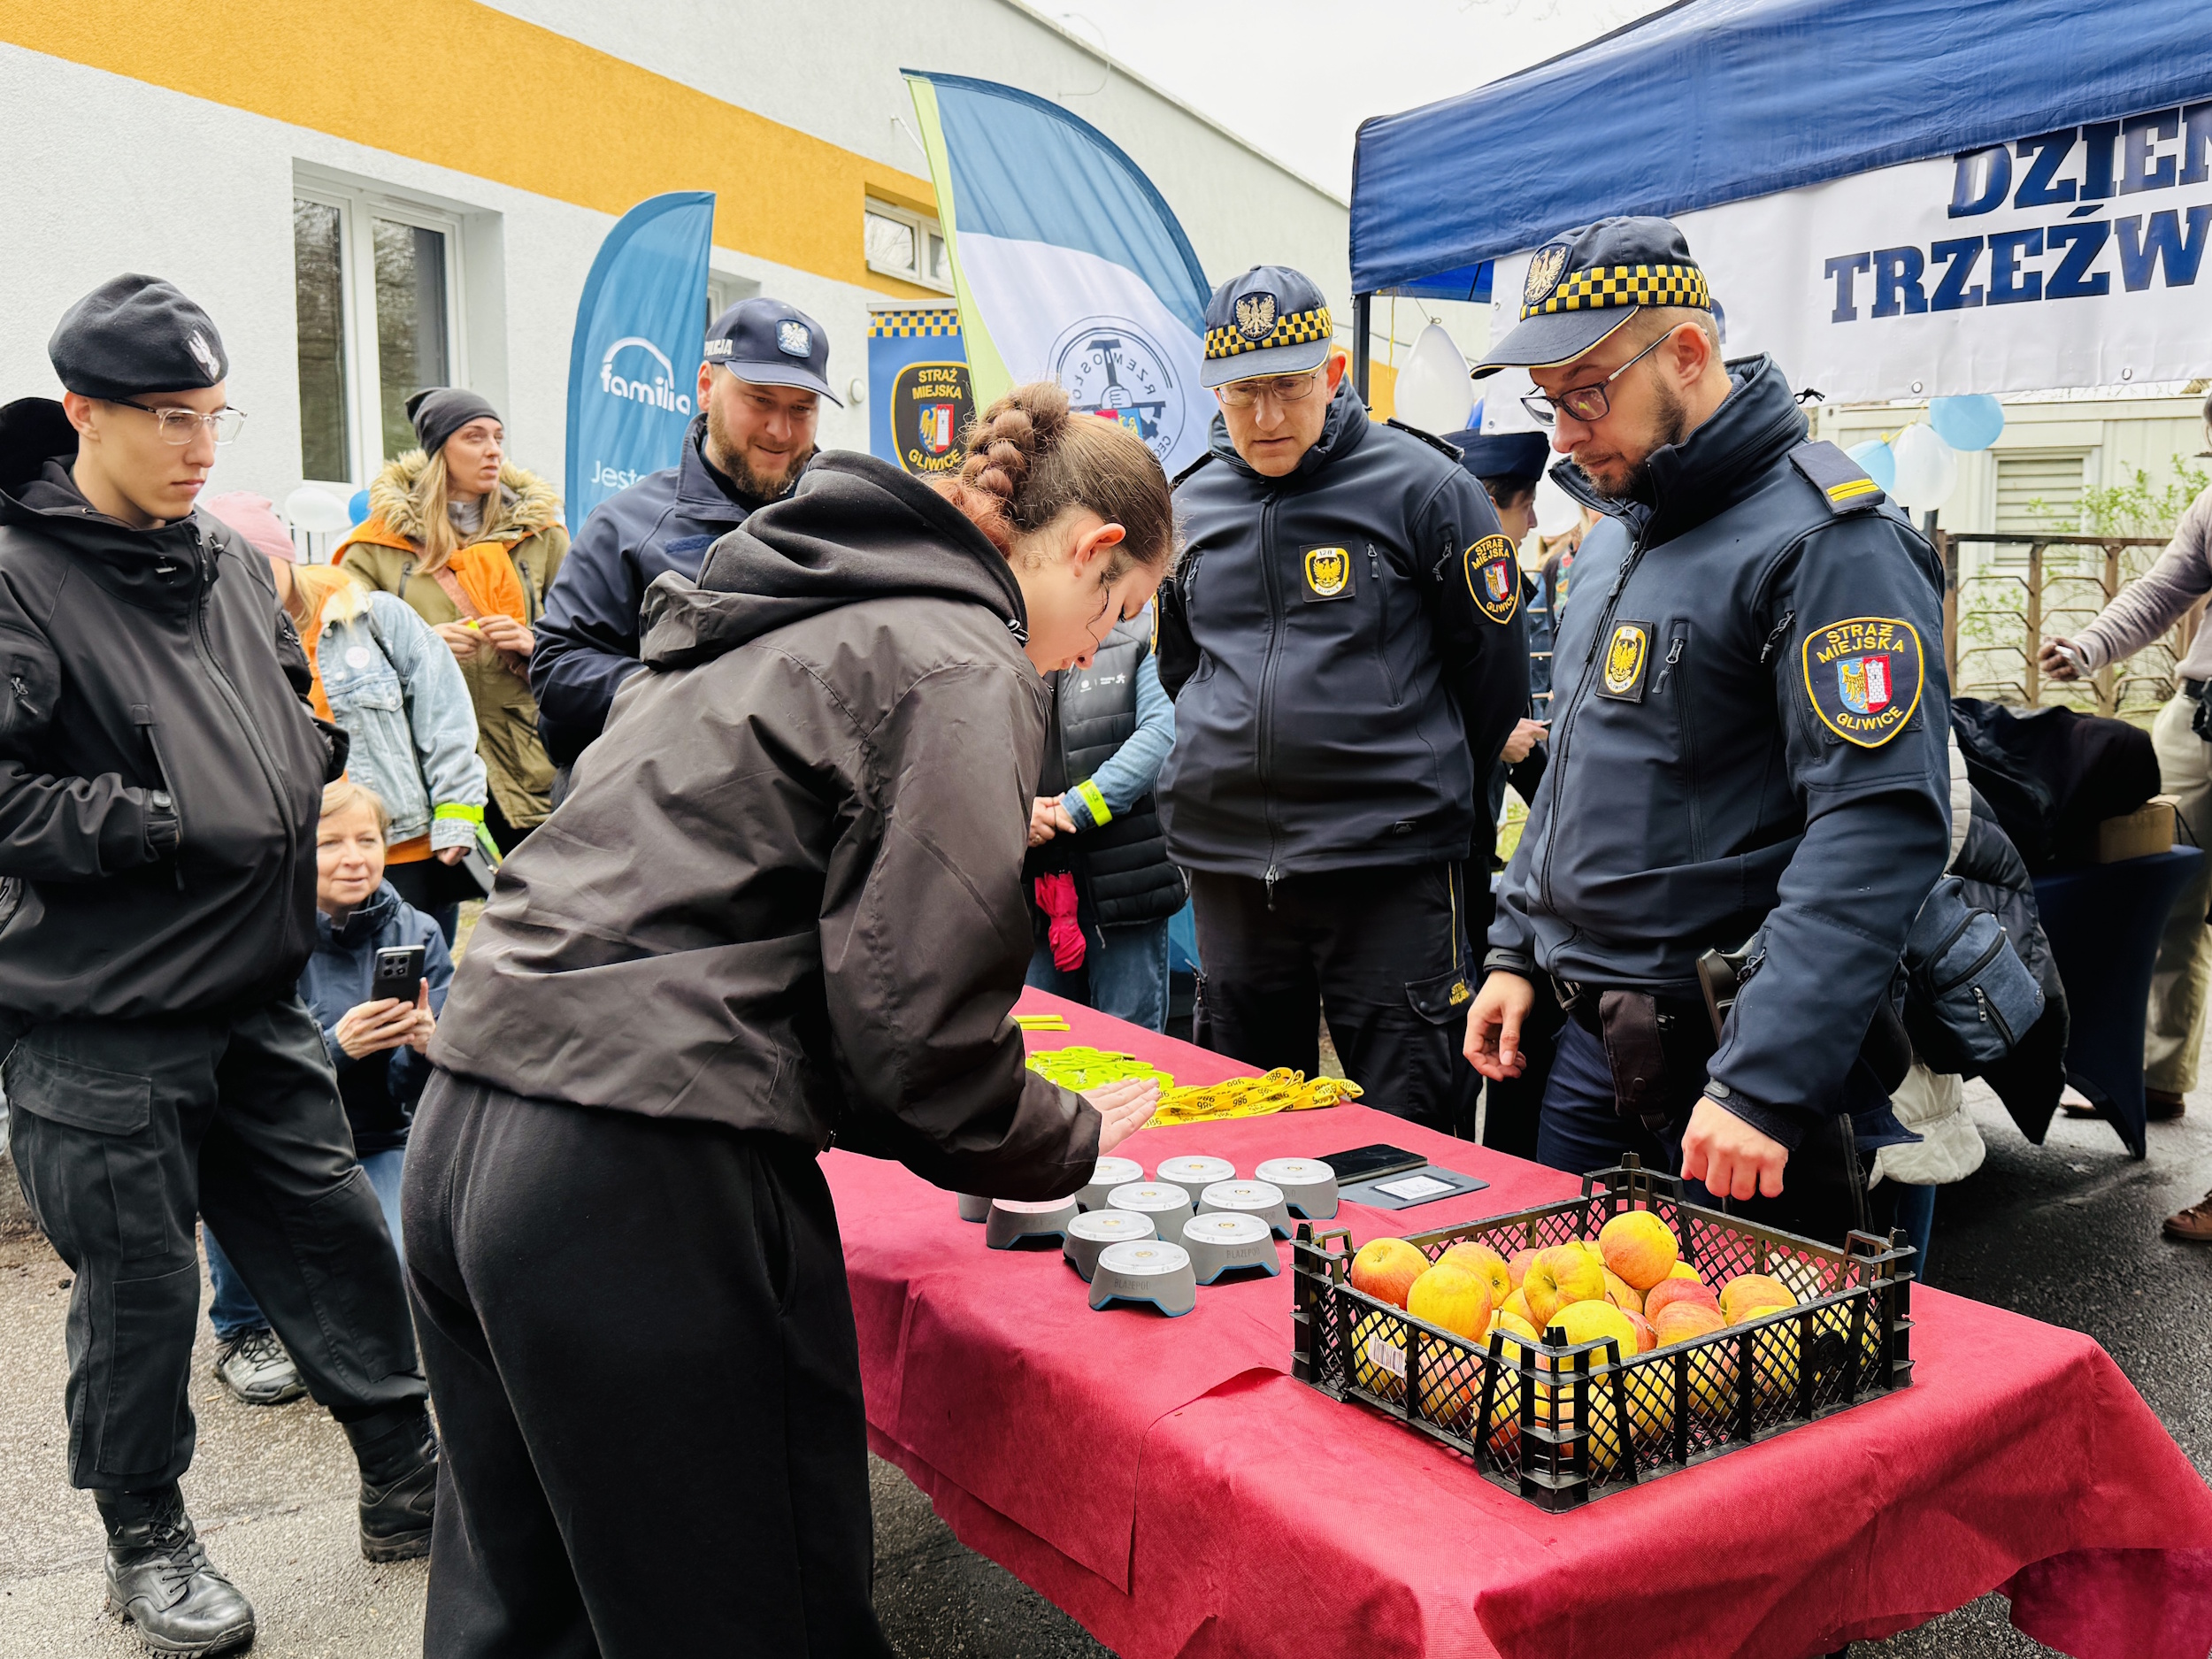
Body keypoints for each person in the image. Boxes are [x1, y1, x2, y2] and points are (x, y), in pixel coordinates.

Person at [403, 383, 1169, 1655]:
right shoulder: (957, 652)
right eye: (1118, 612)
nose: (1094, 652)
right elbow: (916, 1031)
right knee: (757, 1616)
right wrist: (1062, 1139)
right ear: (1090, 546)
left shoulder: (789, 608)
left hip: (474, 1115)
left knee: (531, 1612)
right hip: (637, 1166)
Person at [0, 276, 436, 1655]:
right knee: (141, 1286)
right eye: (167, 418)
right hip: (101, 1013)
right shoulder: (19, 575)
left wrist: (306, 767)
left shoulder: (228, 564)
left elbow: (282, 723)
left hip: (251, 987)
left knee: (332, 1231)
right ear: (83, 413)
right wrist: (169, 819)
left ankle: (408, 1472)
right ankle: (144, 1534)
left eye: (213, 414)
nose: (200, 446)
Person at [1462, 218, 1951, 1247]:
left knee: (1758, 1385)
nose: (1563, 435)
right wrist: (1515, 946)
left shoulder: (1829, 542)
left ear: (1686, 353)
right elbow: (1576, 773)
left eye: (1587, 393)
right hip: (1587, 1038)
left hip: (1735, 1059)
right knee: (1572, 1353)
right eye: (1549, 402)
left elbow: (1876, 827)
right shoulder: (1611, 543)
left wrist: (1763, 1080)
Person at [1156, 265, 1528, 1136]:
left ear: (1331, 374)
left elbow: (1492, 678)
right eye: (1243, 396)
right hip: (1232, 872)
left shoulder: (1428, 490)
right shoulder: (1187, 504)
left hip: (1385, 870)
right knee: (1240, 1131)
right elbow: (1183, 669)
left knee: (1408, 1131)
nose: (1266, 419)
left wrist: (1405, 783)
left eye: (1287, 389)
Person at [202, 780, 453, 1404]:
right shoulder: (261, 935)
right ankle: (242, 1330)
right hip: (272, 1142)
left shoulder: (418, 930)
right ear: (294, 851)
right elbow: (239, 1075)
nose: (353, 857)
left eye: (367, 839)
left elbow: (438, 1093)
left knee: (397, 1279)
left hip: (376, 1138)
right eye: (331, 842)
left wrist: (431, 1046)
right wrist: (335, 1046)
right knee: (230, 1171)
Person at [533, 298, 833, 785]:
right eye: (759, 400)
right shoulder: (625, 525)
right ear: (705, 387)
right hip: (651, 835)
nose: (781, 431)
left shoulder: (841, 526)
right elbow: (558, 675)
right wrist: (707, 700)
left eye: (802, 408)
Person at [2042, 388, 2212, 1241]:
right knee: (2169, 898)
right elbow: (2160, 591)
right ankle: (2155, 1073)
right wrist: (2089, 644)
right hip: (2198, 717)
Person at [210, 493, 488, 942]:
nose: (246, 582)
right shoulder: (224, 646)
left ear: (287, 558)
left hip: (404, 851)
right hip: (302, 864)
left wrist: (457, 810)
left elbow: (446, 714)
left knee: (416, 991)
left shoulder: (375, 617)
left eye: (258, 563)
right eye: (226, 572)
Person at [338, 389, 566, 850]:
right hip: (420, 761)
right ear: (439, 450)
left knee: (539, 909)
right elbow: (343, 653)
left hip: (524, 756)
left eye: (498, 437)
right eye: (474, 436)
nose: (493, 450)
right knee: (428, 916)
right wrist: (420, 647)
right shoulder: (374, 547)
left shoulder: (542, 535)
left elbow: (585, 634)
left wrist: (531, 641)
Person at [1024, 598, 1184, 1029]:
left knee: (1130, 1044)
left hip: (1126, 880)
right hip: (1033, 886)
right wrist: (1018, 814)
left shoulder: (1143, 627)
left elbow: (1160, 733)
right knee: (1040, 1044)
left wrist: (1073, 809)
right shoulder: (1011, 630)